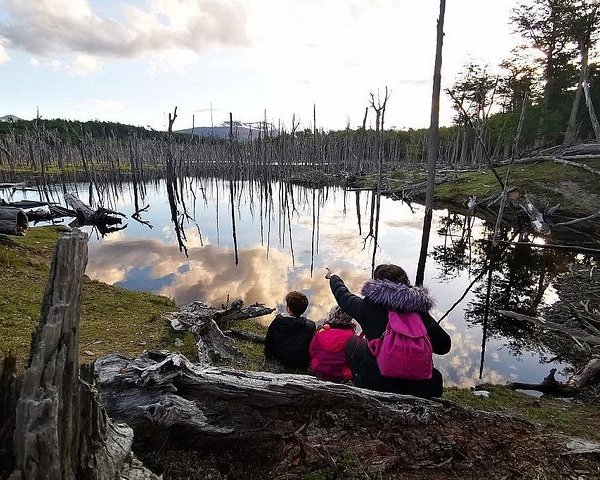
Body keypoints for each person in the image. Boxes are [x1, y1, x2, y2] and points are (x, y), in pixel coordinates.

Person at [326, 265, 451, 398]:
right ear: (406, 283)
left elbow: (342, 295)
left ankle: (361, 386)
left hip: (377, 385)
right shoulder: (419, 311)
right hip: (422, 388)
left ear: (375, 284)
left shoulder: (366, 308)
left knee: (352, 343)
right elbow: (444, 347)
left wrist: (333, 277)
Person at [264, 291, 316, 369]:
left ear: (288, 309)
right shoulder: (310, 326)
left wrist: (268, 357)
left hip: (279, 359)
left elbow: (269, 342)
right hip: (302, 363)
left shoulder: (278, 322)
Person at [309, 306, 356, 383]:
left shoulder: (320, 333)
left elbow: (312, 352)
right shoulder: (352, 338)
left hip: (320, 370)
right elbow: (353, 359)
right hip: (341, 375)